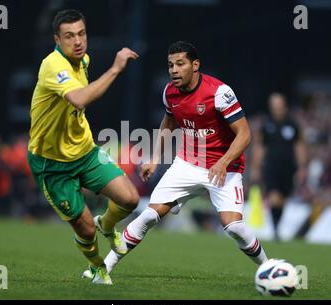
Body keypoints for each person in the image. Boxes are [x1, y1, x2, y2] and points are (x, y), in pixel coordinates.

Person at [86, 40, 268, 277]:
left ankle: (268, 268)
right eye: (170, 65)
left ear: (195, 65)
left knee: (234, 228)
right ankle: (103, 268)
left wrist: (222, 162)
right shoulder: (169, 93)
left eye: (180, 64)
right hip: (187, 164)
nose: (173, 70)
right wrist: (154, 158)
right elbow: (168, 122)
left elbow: (245, 134)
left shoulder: (220, 93)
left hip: (225, 167)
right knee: (148, 216)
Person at [27, 9, 140, 285]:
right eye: (69, 36)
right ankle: (98, 268)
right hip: (51, 164)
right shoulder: (53, 65)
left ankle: (107, 224)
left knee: (130, 199)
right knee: (85, 229)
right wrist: (115, 69)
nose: (77, 41)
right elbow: (78, 99)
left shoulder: (83, 60)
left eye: (81, 34)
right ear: (57, 39)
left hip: (84, 151)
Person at [251, 93, 307, 240]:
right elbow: (260, 147)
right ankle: (275, 228)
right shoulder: (266, 125)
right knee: (274, 197)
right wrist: (256, 167)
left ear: (285, 106)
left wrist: (302, 167)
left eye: (279, 106)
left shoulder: (293, 125)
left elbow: (299, 146)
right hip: (271, 166)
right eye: (274, 106)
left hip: (288, 167)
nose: (277, 109)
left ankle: (277, 225)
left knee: (282, 199)